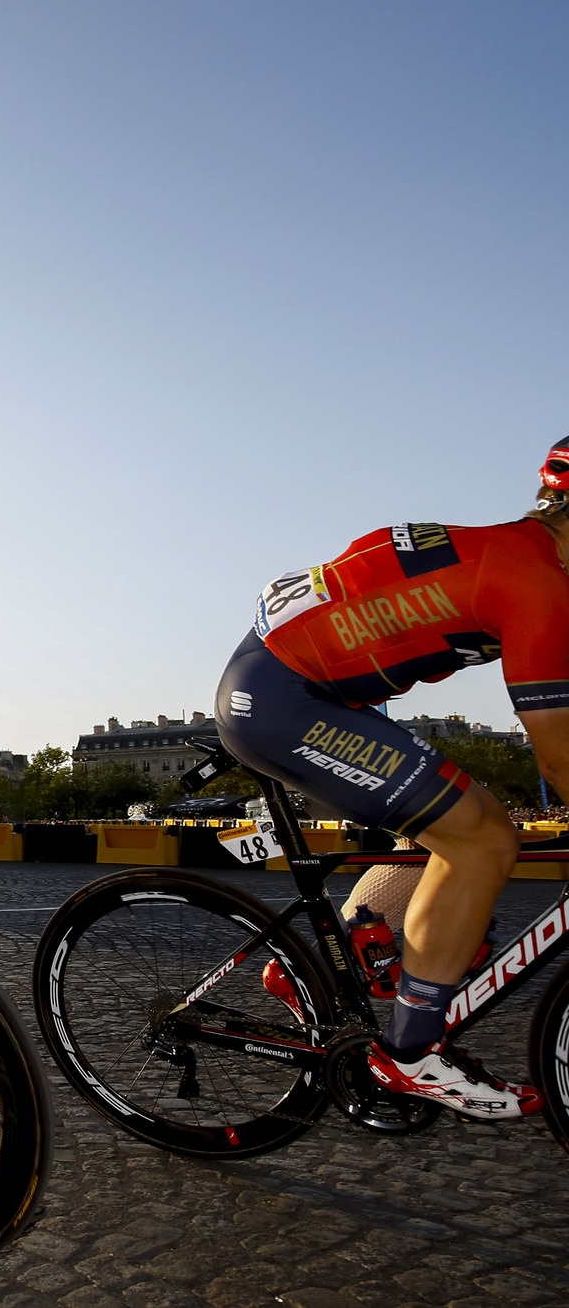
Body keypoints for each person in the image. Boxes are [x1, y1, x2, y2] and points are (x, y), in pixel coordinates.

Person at [215, 437, 569, 1119]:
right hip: (284, 696)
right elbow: (557, 756)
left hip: (292, 678)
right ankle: (411, 1053)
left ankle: (332, 954)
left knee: (450, 816)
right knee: (484, 838)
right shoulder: (536, 579)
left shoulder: (513, 552)